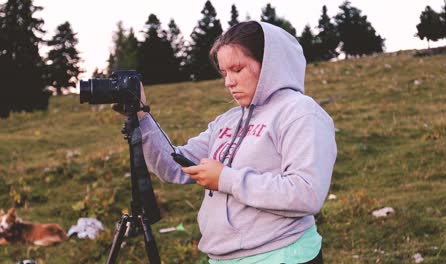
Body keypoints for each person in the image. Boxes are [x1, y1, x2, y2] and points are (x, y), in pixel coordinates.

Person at [118, 21, 337, 263]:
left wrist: (226, 179)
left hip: (281, 254)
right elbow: (174, 168)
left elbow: (307, 193)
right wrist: (142, 117)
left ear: (270, 66)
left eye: (237, 69)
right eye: (224, 73)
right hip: (222, 256)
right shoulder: (227, 121)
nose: (228, 82)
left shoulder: (300, 112)